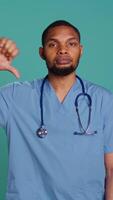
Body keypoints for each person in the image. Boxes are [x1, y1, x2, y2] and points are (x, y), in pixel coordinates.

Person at [0, 20, 113, 200]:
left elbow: (111, 169)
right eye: (53, 44)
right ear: (42, 52)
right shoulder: (13, 97)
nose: (63, 49)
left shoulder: (103, 100)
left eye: (71, 43)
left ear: (81, 50)